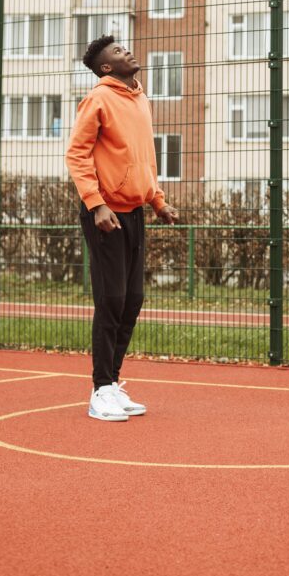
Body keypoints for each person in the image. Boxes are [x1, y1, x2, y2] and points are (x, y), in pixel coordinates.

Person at [66, 35, 178, 422]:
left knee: (132, 299)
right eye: (116, 52)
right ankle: (100, 390)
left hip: (134, 211)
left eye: (123, 48)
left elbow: (143, 158)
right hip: (105, 213)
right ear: (106, 68)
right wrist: (95, 204)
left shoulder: (139, 98)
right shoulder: (98, 98)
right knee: (110, 300)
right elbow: (76, 153)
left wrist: (158, 201)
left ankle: (112, 383)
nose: (125, 51)